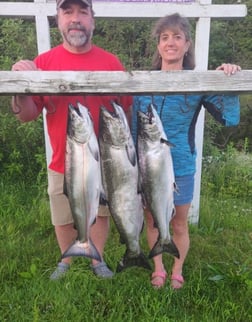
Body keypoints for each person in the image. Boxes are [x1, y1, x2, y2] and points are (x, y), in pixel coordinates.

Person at [11, 0, 132, 280]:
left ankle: (96, 259)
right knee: (63, 214)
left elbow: (125, 107)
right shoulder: (43, 64)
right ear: (58, 19)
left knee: (99, 212)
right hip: (60, 161)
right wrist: (20, 85)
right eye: (68, 12)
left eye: (82, 12)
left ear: (93, 20)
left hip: (103, 160)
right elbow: (26, 115)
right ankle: (66, 258)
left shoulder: (111, 62)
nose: (75, 19)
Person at [131, 13, 241, 289]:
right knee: (153, 220)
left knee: (179, 223)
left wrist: (228, 83)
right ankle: (158, 268)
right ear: (158, 45)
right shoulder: (142, 83)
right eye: (165, 37)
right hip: (148, 167)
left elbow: (230, 118)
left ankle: (177, 270)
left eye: (177, 37)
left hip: (181, 167)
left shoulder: (198, 83)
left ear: (187, 44)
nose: (171, 43)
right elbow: (133, 130)